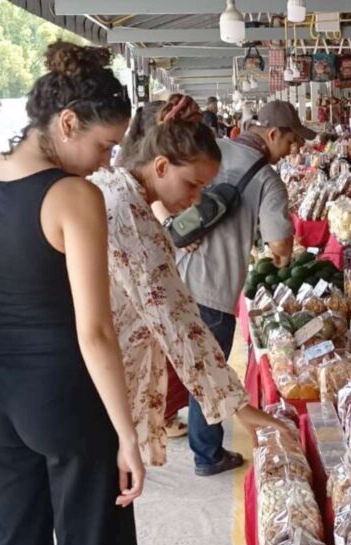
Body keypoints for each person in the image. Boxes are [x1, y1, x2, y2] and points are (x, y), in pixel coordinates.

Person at [0, 42, 141, 545]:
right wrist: (128, 434)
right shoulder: (73, 197)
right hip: (63, 398)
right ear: (68, 123)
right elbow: (94, 332)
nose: (105, 162)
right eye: (104, 145)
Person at [88, 94, 293, 469]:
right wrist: (243, 410)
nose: (197, 200)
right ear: (161, 166)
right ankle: (207, 452)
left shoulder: (118, 194)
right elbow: (175, 322)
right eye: (193, 185)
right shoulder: (127, 214)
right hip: (94, 395)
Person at [162, 100, 315, 475]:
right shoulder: (267, 179)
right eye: (292, 141)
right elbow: (281, 246)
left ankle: (174, 425)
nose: (294, 149)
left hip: (174, 273)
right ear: (273, 134)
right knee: (210, 369)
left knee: (186, 359)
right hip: (214, 286)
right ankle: (208, 454)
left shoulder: (210, 148)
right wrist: (278, 254)